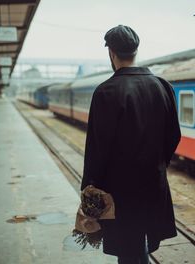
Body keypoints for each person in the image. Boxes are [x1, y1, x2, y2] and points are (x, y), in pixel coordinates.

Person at [81, 25, 181, 264]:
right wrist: (157, 164)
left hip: (120, 191)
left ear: (111, 53)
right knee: (141, 246)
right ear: (136, 50)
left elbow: (97, 148)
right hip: (154, 184)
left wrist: (89, 187)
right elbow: (173, 135)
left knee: (128, 251)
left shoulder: (105, 92)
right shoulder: (162, 86)